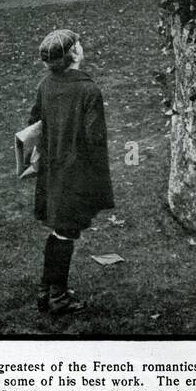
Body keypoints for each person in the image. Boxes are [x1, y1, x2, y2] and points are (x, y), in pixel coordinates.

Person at [26, 28, 114, 316]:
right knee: (65, 232)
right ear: (75, 53)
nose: (81, 46)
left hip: (52, 172)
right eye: (79, 43)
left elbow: (34, 125)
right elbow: (94, 139)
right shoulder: (89, 90)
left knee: (60, 230)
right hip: (75, 174)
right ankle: (58, 298)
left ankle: (46, 290)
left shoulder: (45, 86)